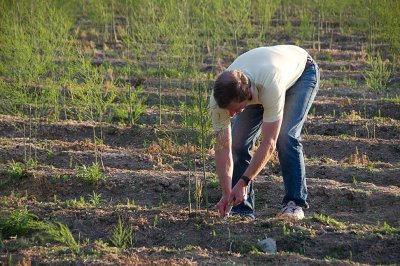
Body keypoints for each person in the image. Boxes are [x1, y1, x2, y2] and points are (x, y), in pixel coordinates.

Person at [210, 45, 320, 220]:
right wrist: (227, 191)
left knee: (285, 136)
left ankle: (294, 204)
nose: (230, 115)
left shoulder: (270, 84)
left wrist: (243, 182)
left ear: (247, 98)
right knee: (238, 142)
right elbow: (223, 146)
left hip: (301, 74)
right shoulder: (219, 98)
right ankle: (241, 208)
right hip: (263, 74)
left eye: (234, 110)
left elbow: (269, 142)